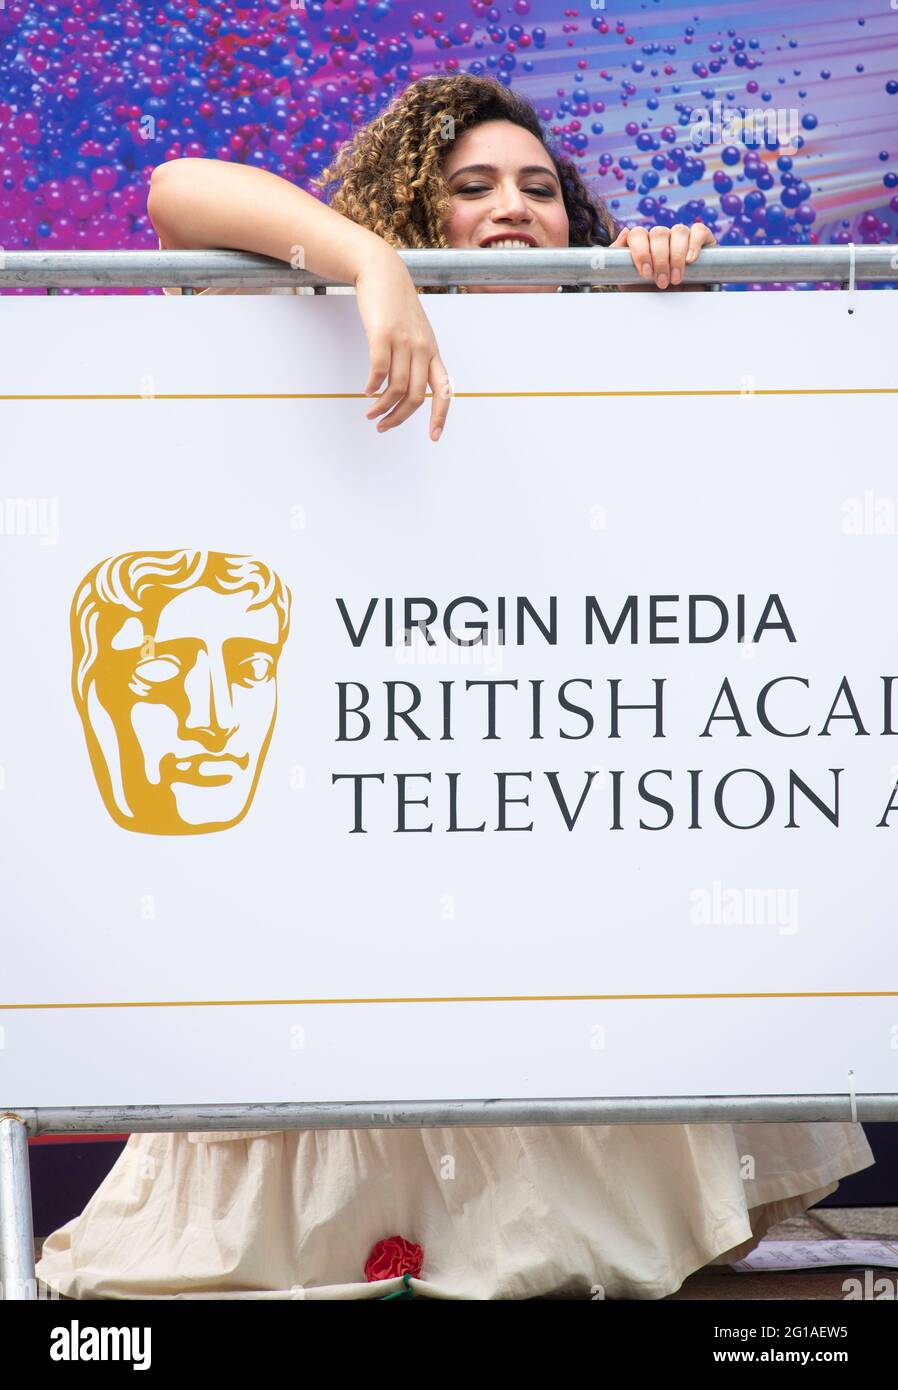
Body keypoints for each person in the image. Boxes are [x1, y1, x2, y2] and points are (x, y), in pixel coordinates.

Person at [36, 74, 874, 1302]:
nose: (511, 206)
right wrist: (372, 271)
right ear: (408, 209)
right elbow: (174, 192)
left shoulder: (605, 341)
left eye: (540, 188)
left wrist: (664, 287)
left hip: (515, 779)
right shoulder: (321, 302)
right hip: (344, 780)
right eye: (470, 185)